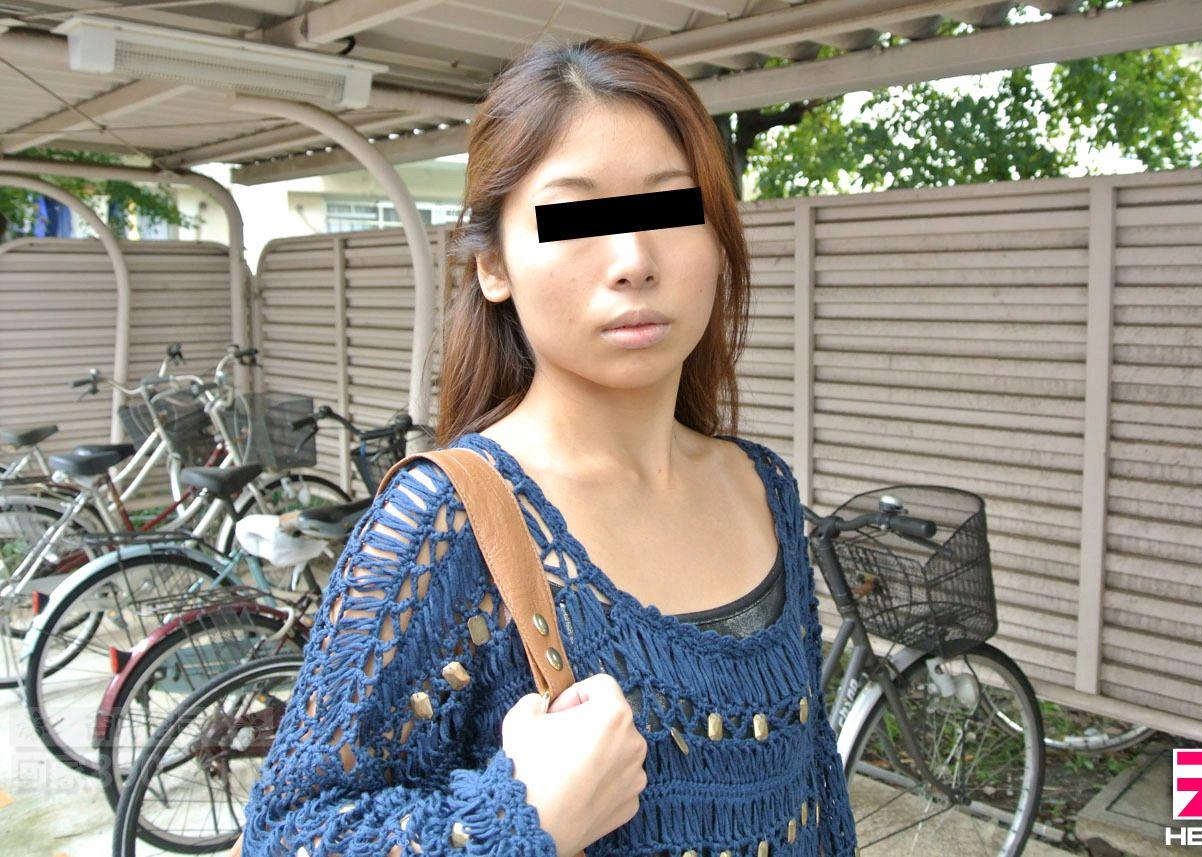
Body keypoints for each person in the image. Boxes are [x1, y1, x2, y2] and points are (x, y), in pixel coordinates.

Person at [238, 35, 858, 856]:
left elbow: (816, 789)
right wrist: (520, 818)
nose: (633, 259)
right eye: (577, 217)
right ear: (494, 264)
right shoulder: (444, 521)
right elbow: (286, 834)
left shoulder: (765, 487)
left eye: (672, 207)